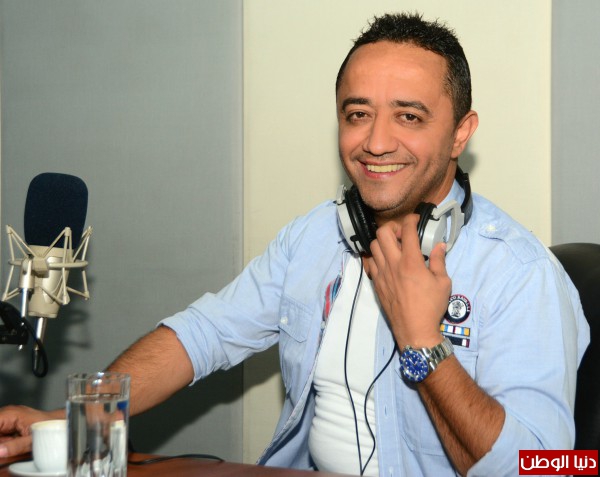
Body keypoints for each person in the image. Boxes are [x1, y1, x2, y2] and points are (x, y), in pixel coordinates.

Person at [0, 12, 590, 477]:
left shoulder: (522, 275)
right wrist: (75, 420)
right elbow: (204, 335)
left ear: (461, 132)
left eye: (409, 117)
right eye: (357, 114)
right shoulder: (314, 237)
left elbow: (548, 467)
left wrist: (423, 343)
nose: (376, 141)